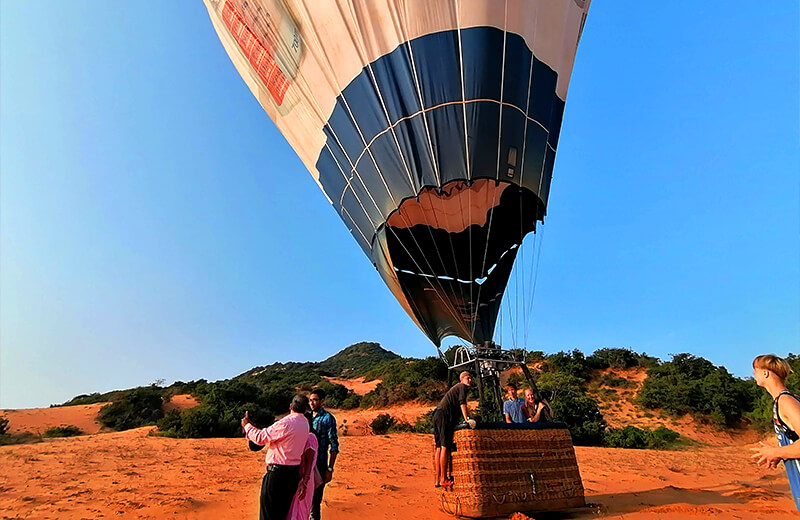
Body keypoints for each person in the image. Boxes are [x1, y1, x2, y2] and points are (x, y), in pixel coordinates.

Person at [241, 394, 310, 520]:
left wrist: (247, 426)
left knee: (268, 515)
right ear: (305, 409)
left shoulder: (286, 422)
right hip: (293, 475)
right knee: (281, 514)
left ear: (290, 406)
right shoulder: (305, 423)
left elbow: (260, 438)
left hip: (278, 475)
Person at [749, 354, 800, 511]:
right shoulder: (783, 400)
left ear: (765, 373)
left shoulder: (786, 401)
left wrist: (776, 451)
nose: (753, 374)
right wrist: (782, 453)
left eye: (755, 370)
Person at [433, 371, 476, 488]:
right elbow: (462, 403)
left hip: (437, 414)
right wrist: (467, 419)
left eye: (470, 378)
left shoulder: (455, 388)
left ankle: (437, 480)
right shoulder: (462, 387)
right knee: (444, 447)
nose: (470, 380)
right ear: (461, 379)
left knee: (438, 447)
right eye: (468, 378)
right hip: (444, 416)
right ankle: (443, 479)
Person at [309, 388, 339, 520]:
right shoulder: (307, 417)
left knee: (315, 503)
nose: (312, 403)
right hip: (305, 466)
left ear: (322, 401)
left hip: (320, 465)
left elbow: (334, 445)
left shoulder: (328, 419)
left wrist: (330, 468)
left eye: (315, 400)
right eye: (310, 400)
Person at [287, 413, 322, 520]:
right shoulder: (301, 436)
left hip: (305, 479)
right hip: (299, 479)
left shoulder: (310, 437)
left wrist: (304, 482)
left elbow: (310, 461)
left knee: (301, 512)